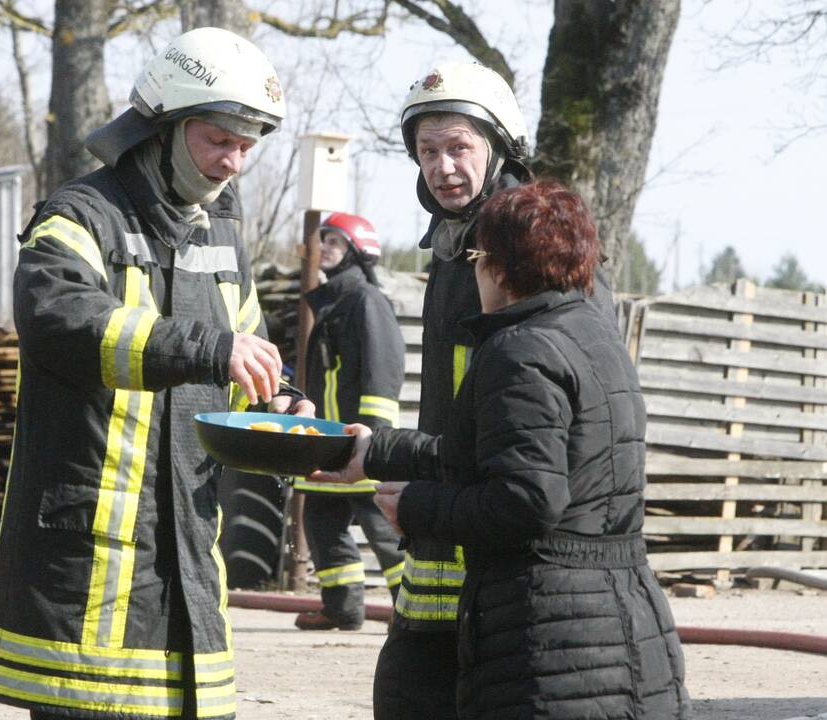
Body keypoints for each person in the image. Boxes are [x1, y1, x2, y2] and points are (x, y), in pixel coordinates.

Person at [0, 28, 313, 720]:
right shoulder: (77, 218)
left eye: (248, 146)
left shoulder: (221, 240)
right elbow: (62, 322)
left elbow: (250, 357)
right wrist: (206, 349)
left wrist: (284, 405)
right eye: (220, 139)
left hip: (186, 559)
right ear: (163, 124)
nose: (235, 162)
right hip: (89, 578)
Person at [315, 179, 690, 719]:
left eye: (477, 253)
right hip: (624, 620)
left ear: (501, 266)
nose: (473, 267)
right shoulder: (594, 337)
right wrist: (374, 453)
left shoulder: (520, 350)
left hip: (550, 642)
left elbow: (525, 500)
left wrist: (417, 508)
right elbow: (497, 453)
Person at [366, 61, 620, 720]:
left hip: (505, 547)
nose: (442, 167)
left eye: (458, 148)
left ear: (498, 146)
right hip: (445, 532)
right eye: (427, 152)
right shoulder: (454, 253)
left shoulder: (534, 251)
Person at [291, 212, 406, 631]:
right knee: (320, 522)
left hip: (358, 442)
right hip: (327, 441)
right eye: (323, 240)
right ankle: (343, 608)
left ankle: (413, 611)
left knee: (384, 530)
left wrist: (373, 440)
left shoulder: (365, 300)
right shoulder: (335, 300)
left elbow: (383, 369)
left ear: (356, 251)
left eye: (335, 242)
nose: (324, 248)